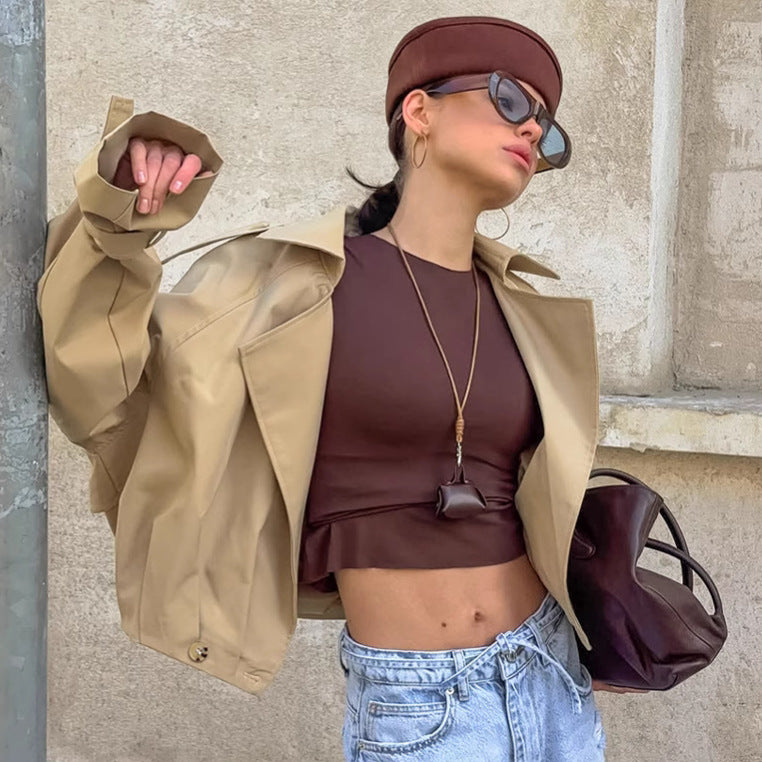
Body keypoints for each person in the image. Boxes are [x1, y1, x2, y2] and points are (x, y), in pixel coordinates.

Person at [38, 14, 645, 762]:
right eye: (510, 99)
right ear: (418, 112)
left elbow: (536, 500)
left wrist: (593, 620)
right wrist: (121, 219)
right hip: (421, 703)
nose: (531, 129)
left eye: (546, 127)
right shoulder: (296, 289)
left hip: (552, 674)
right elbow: (97, 385)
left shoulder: (521, 309)